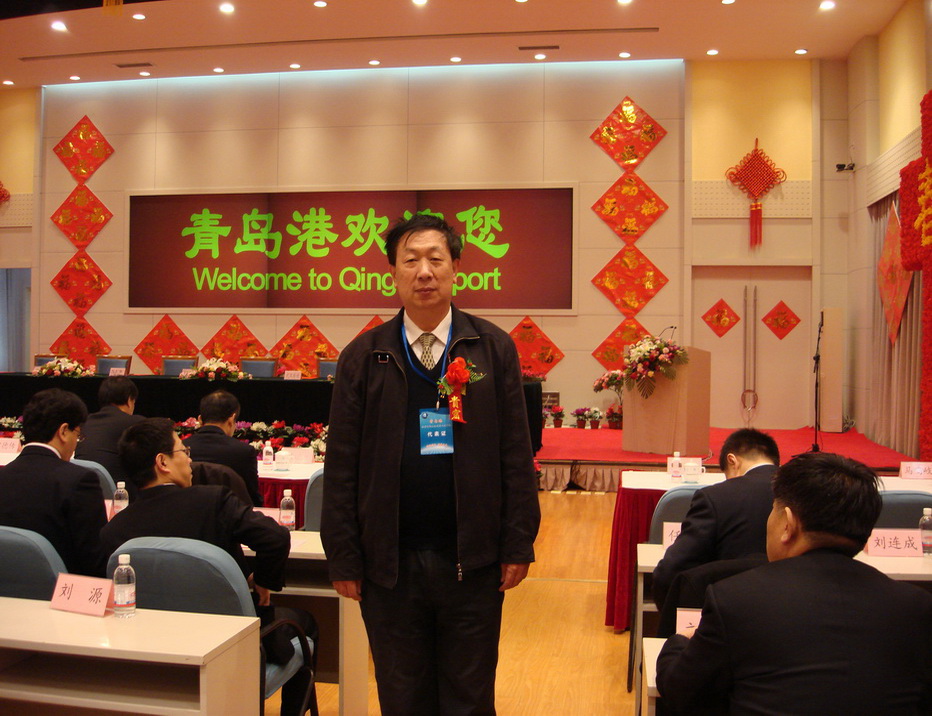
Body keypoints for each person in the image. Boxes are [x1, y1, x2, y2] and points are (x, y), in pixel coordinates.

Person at [321, 213, 541, 715]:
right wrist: (345, 557)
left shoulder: (491, 348)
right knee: (403, 697)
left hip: (473, 562)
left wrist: (517, 541)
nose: (424, 271)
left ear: (455, 268)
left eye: (435, 259)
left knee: (470, 697)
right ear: (393, 273)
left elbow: (515, 453)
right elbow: (342, 466)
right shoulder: (364, 355)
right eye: (411, 260)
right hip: (389, 567)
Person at [656, 452, 932, 714]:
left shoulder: (734, 599)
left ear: (788, 524)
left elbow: (681, 691)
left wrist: (677, 642)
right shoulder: (915, 606)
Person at [101, 417, 316, 716]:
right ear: (163, 462)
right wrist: (263, 583)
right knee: (306, 621)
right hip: (234, 648)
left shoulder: (114, 530)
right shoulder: (213, 501)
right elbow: (276, 537)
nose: (189, 459)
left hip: (154, 660)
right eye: (183, 451)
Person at [652, 428, 779, 609]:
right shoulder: (803, 492)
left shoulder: (716, 497)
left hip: (727, 610)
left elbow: (671, 570)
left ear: (732, 460)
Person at [0, 388, 107, 576]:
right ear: (64, 431)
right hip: (59, 589)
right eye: (78, 435)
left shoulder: (4, 475)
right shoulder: (80, 481)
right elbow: (94, 562)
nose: (76, 442)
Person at [184, 389, 263, 506]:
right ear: (231, 420)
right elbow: (251, 497)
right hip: (232, 514)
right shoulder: (244, 452)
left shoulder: (182, 448)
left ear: (200, 419)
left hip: (189, 512)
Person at [75, 376, 145, 490]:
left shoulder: (84, 422)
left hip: (81, 488)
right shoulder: (136, 423)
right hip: (120, 493)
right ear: (129, 400)